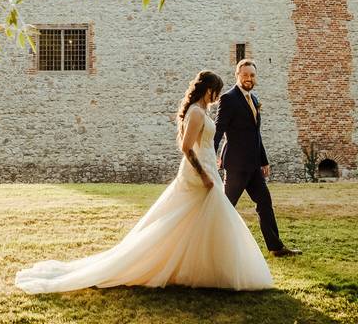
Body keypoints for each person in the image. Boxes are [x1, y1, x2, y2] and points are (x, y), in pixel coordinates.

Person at [15, 71, 273, 293]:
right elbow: (186, 148)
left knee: (196, 220)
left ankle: (204, 269)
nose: (218, 97)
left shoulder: (202, 110)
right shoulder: (195, 112)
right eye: (215, 92)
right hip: (198, 173)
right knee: (190, 218)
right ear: (208, 90)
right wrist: (203, 174)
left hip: (208, 168)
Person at [214, 59, 301, 257]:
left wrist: (263, 160)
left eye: (252, 75)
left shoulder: (253, 99)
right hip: (236, 166)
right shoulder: (228, 99)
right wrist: (210, 155)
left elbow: (256, 134)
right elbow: (218, 130)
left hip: (253, 166)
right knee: (226, 206)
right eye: (245, 75)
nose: (248, 79)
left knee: (265, 203)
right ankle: (209, 242)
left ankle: (276, 248)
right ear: (238, 75)